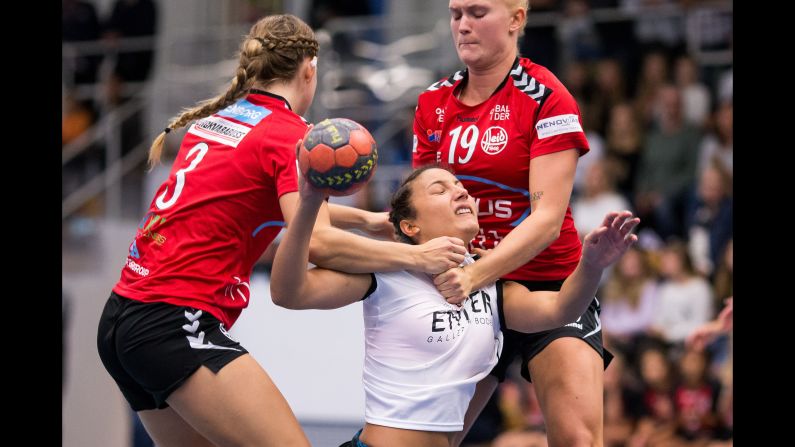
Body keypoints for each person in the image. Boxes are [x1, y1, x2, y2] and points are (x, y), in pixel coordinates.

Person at [96, 15, 466, 447]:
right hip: (176, 320)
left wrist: (365, 220)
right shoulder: (289, 134)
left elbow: (248, 201)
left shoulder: (221, 120)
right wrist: (418, 256)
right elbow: (320, 244)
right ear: (310, 68)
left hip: (123, 317)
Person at [269, 166, 640, 447]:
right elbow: (289, 292)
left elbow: (560, 310)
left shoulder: (487, 280)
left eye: (460, 186)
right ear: (410, 226)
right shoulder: (386, 272)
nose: (460, 192)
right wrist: (309, 202)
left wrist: (592, 265)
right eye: (440, 189)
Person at [412, 1, 607, 445]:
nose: (463, 25)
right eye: (456, 14)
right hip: (470, 293)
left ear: (517, 19)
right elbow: (417, 212)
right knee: (429, 441)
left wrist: (473, 274)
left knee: (577, 438)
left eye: (477, 13)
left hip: (547, 284)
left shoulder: (547, 96)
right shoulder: (432, 103)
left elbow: (548, 221)